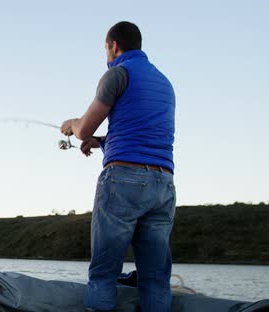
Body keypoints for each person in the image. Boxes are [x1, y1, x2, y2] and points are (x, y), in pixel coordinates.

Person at [60, 21, 176, 312]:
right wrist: (102, 142)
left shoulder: (116, 74)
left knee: (103, 275)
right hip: (163, 185)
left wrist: (72, 125)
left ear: (114, 45)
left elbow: (84, 128)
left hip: (123, 180)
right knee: (156, 280)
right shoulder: (164, 82)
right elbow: (139, 130)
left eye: (106, 48)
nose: (106, 54)